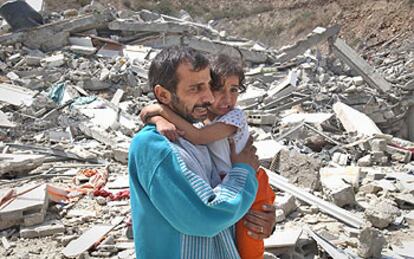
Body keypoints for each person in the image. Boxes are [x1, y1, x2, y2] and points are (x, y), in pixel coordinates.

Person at [129, 46, 275, 259]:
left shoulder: (196, 136)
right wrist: (244, 174)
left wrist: (257, 219)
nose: (208, 98)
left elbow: (222, 202)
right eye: (196, 89)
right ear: (163, 94)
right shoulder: (154, 145)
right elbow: (206, 218)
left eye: (209, 86)